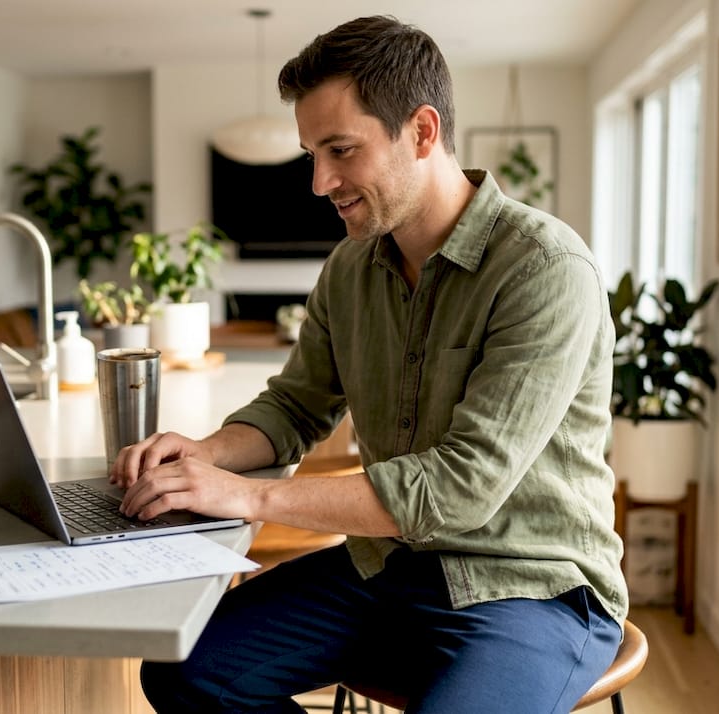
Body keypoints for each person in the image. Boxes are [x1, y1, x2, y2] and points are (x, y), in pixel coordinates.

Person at [112, 15, 628, 714]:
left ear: (422, 132)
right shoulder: (350, 268)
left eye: (341, 150)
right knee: (182, 671)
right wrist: (203, 454)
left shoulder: (545, 269)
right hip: (389, 568)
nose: (320, 181)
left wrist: (249, 496)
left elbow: (458, 490)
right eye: (311, 153)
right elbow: (295, 408)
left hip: (531, 588)